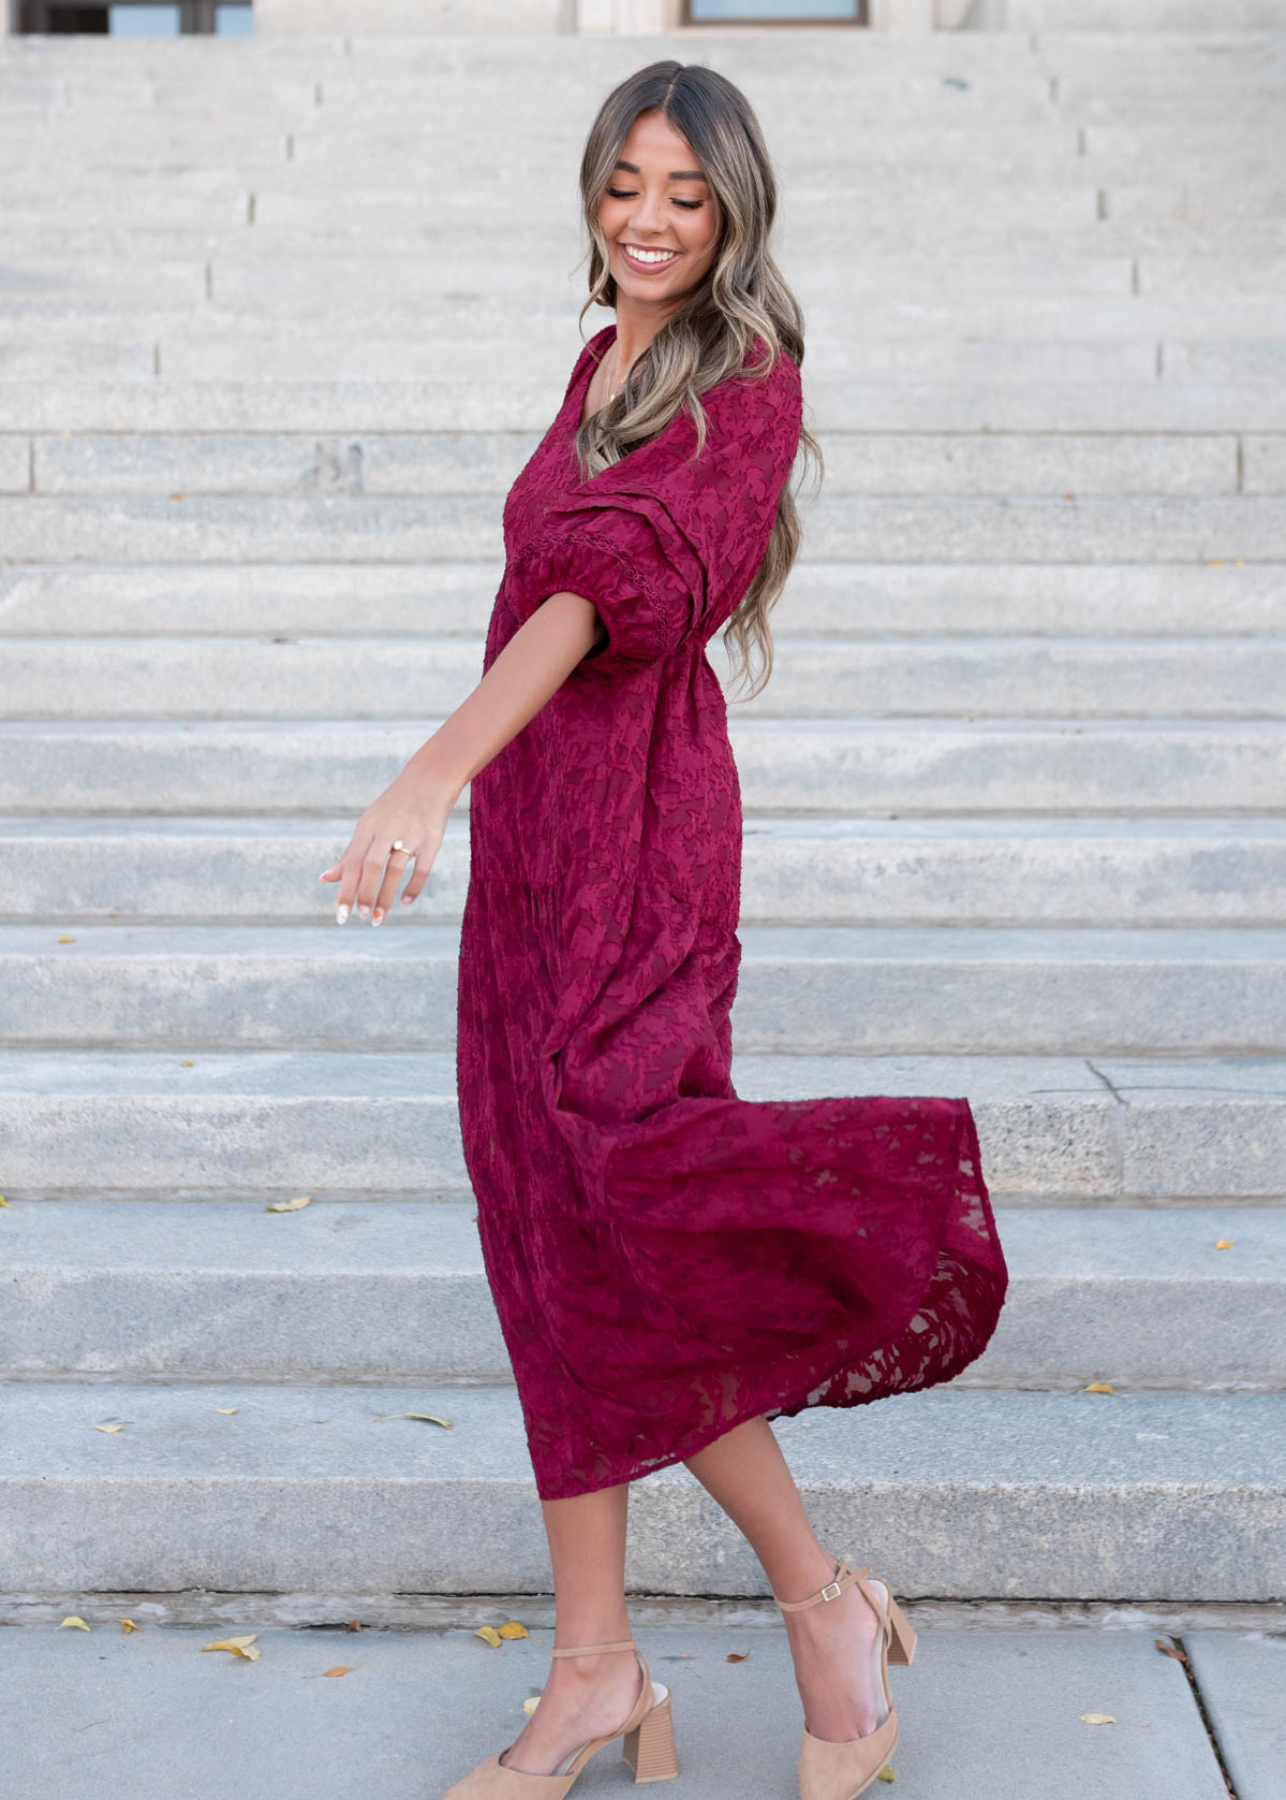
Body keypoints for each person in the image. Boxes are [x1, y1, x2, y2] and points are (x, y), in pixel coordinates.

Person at [320, 59, 1008, 1800]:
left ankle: (817, 1597)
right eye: (624, 182)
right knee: (547, 1237)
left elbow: (597, 593)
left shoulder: (746, 378)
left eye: (684, 196)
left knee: (621, 1220)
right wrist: (478, 800)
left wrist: (426, 770)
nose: (645, 219)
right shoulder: (601, 360)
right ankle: (596, 1672)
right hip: (538, 854)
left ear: (734, 215)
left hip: (632, 846)